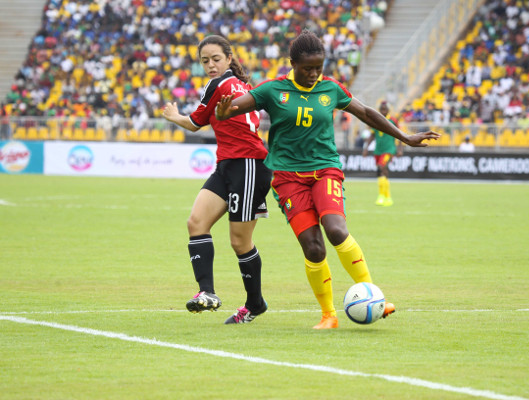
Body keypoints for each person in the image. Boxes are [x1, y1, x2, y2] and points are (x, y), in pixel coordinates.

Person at [215, 30, 440, 329]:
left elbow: (366, 113)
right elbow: (231, 109)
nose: (313, 74)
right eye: (307, 68)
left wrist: (404, 136)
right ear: (292, 64)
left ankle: (375, 297)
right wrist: (223, 111)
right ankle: (329, 315)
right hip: (287, 178)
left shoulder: (330, 88)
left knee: (335, 229)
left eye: (318, 68)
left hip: (324, 170)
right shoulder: (273, 90)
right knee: (313, 248)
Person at [162, 35, 271, 324]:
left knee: (240, 242)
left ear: (229, 58)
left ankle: (255, 303)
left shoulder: (220, 84)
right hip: (229, 164)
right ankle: (207, 293)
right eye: (205, 61)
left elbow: (195, 124)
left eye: (215, 59)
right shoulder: (241, 85)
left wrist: (173, 115)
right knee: (196, 223)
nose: (210, 65)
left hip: (248, 164)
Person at [362, 101, 403, 206]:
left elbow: (400, 135)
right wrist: (366, 148)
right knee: (382, 172)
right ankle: (387, 197)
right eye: (382, 109)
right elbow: (372, 135)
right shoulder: (375, 120)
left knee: (381, 167)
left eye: (385, 109)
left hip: (389, 149)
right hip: (378, 150)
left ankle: (381, 196)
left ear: (388, 109)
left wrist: (400, 149)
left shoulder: (393, 120)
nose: (383, 111)